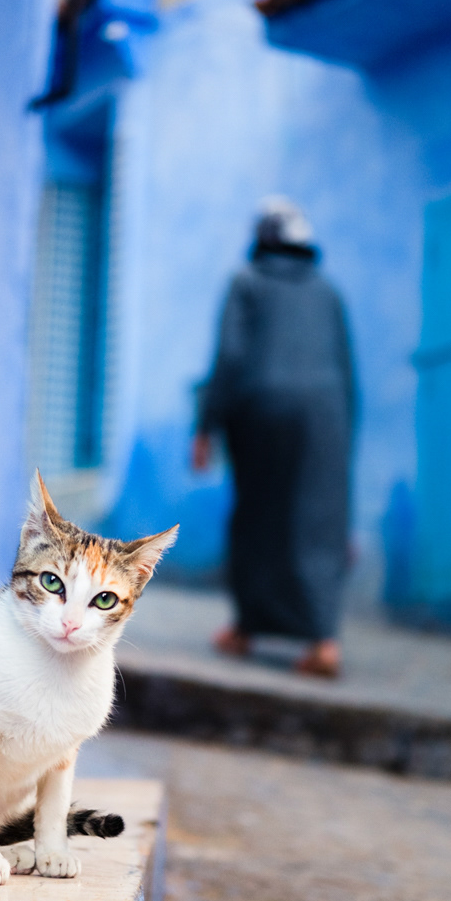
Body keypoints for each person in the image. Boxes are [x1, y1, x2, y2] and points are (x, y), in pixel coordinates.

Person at [192, 196, 357, 678]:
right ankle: (324, 641)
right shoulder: (328, 292)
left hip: (260, 409)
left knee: (258, 516)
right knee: (318, 520)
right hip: (326, 412)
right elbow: (347, 372)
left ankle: (247, 628)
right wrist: (347, 433)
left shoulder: (246, 283)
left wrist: (206, 426)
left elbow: (229, 357)